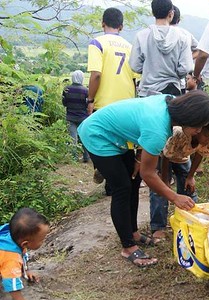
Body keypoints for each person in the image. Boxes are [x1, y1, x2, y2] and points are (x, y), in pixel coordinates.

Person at [77, 91, 209, 268]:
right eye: (198, 127)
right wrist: (175, 197)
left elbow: (140, 131)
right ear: (189, 117)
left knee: (133, 182)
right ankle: (128, 247)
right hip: (97, 135)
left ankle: (133, 233)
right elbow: (148, 174)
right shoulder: (157, 129)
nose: (199, 132)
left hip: (118, 136)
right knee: (122, 188)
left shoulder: (171, 102)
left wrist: (138, 159)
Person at [149, 110, 209, 242]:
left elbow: (199, 155)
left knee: (189, 189)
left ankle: (192, 219)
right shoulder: (179, 133)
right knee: (160, 191)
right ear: (199, 129)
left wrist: (190, 176)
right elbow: (167, 156)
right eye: (207, 136)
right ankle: (158, 227)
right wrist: (165, 180)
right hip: (164, 158)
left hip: (183, 158)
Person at [87, 7, 137, 189]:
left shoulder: (97, 43)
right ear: (121, 27)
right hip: (127, 103)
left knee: (102, 143)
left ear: (102, 23)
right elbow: (135, 78)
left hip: (105, 102)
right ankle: (126, 179)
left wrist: (90, 99)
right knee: (125, 145)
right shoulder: (130, 47)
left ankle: (106, 174)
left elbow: (96, 75)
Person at [129, 0, 192, 97]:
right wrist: (175, 74)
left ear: (153, 13)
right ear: (171, 13)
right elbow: (186, 67)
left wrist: (149, 69)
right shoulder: (182, 37)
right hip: (172, 91)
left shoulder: (141, 35)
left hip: (147, 92)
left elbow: (134, 65)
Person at [0, 208, 50, 300]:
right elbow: (11, 282)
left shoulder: (14, 237)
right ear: (25, 243)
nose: (44, 241)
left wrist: (26, 271)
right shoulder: (11, 257)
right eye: (42, 239)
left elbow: (22, 256)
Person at [62, 70, 90, 163]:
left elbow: (64, 103)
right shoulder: (86, 90)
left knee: (73, 138)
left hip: (70, 117)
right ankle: (86, 158)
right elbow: (88, 104)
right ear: (82, 78)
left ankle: (74, 158)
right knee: (84, 138)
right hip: (83, 118)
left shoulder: (66, 89)